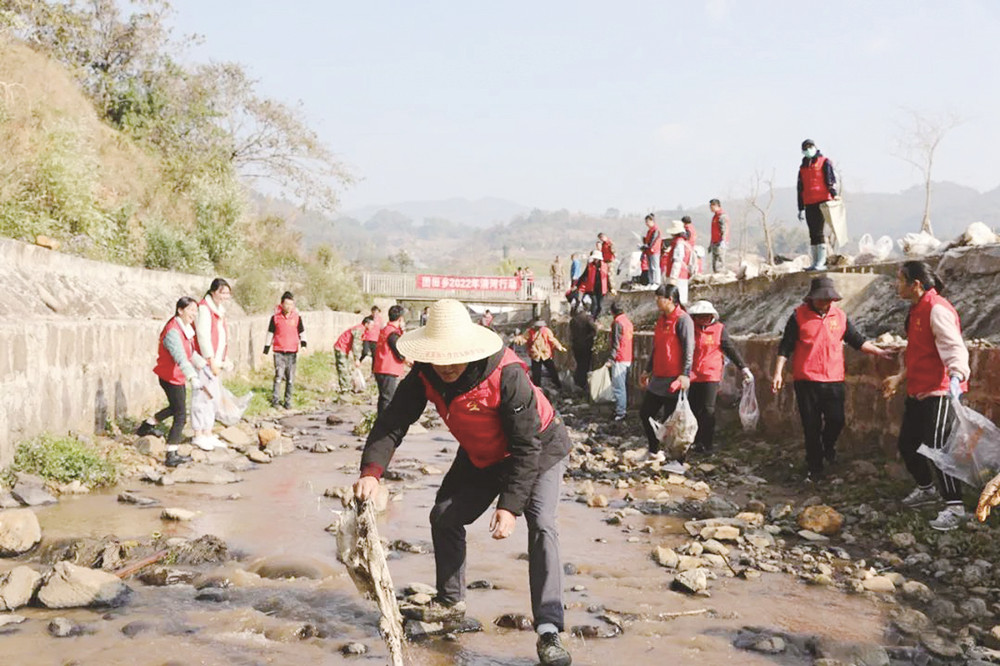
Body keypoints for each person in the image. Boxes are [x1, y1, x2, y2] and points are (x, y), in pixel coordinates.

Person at [352, 299, 573, 666]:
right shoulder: (425, 373)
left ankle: (549, 629)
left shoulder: (508, 374)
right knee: (444, 516)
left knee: (542, 525)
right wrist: (371, 472)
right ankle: (450, 603)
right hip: (481, 454)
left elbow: (526, 446)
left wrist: (509, 506)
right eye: (441, 357)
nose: (448, 366)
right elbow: (394, 422)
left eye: (455, 357)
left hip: (540, 449)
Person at [771, 276, 889, 481]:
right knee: (811, 425)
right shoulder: (798, 316)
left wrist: (879, 352)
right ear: (812, 299)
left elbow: (857, 340)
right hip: (806, 379)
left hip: (834, 379)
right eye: (822, 299)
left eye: (830, 300)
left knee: (837, 420)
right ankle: (814, 467)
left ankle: (828, 446)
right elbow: (785, 347)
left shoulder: (840, 316)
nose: (826, 303)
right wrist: (777, 373)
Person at [881, 261, 971, 531]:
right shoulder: (916, 311)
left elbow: (954, 346)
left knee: (938, 448)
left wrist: (957, 375)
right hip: (919, 388)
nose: (896, 285)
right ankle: (927, 489)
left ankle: (955, 507)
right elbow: (920, 352)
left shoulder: (937, 308)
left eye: (900, 280)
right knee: (908, 444)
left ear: (915, 284)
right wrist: (900, 377)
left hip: (941, 389)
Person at [136, 297, 204, 467]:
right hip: (171, 377)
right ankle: (171, 454)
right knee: (181, 414)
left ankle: (147, 425)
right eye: (191, 310)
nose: (193, 314)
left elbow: (189, 352)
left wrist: (203, 363)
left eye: (196, 311)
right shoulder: (173, 331)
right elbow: (180, 357)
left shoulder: (184, 328)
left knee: (175, 408)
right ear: (180, 310)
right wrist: (193, 377)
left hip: (174, 375)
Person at [639, 284, 694, 462]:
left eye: (659, 298)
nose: (656, 301)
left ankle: (676, 460)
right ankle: (654, 451)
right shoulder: (661, 320)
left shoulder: (683, 320)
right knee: (645, 413)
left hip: (674, 378)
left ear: (670, 300)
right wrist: (647, 370)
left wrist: (684, 374)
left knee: (673, 422)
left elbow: (688, 349)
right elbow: (657, 348)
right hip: (658, 377)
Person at [687, 300, 752, 452]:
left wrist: (744, 368)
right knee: (693, 408)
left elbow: (731, 350)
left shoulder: (719, 330)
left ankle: (707, 443)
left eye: (705, 316)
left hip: (711, 374)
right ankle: (694, 441)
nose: (702, 319)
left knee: (708, 409)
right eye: (699, 316)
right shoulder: (690, 329)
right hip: (693, 374)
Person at [192, 277, 232, 450]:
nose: (225, 297)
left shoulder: (219, 310)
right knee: (202, 397)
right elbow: (202, 336)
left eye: (228, 294)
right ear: (213, 292)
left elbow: (222, 336)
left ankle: (208, 431)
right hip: (204, 361)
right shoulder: (204, 308)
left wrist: (223, 359)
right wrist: (210, 360)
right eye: (222, 293)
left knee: (212, 397)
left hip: (215, 361)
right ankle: (198, 434)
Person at [797, 139, 838, 271]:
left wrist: (834, 194)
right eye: (805, 148)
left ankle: (821, 261)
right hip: (809, 202)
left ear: (815, 147)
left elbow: (830, 179)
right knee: (812, 233)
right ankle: (815, 261)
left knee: (819, 231)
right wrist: (800, 208)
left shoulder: (824, 162)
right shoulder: (803, 167)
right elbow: (800, 188)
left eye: (810, 147)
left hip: (822, 200)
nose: (808, 150)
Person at [263, 291, 307, 409]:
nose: (288, 307)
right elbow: (270, 333)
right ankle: (275, 401)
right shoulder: (275, 318)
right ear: (282, 304)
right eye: (286, 304)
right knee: (278, 376)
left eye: (291, 304)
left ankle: (288, 402)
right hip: (279, 351)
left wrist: (304, 345)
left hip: (292, 352)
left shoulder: (297, 318)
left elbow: (302, 332)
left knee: (290, 378)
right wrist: (266, 350)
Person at [373, 305, 406, 415]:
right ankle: (384, 423)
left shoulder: (385, 330)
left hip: (380, 368)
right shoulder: (393, 333)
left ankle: (380, 421)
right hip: (389, 369)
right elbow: (399, 353)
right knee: (388, 399)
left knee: (383, 397)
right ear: (400, 319)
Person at [606, 302, 633, 422]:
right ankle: (621, 409)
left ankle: (620, 413)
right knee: (622, 386)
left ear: (612, 312)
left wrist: (611, 359)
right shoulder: (627, 321)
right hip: (627, 356)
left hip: (620, 358)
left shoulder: (617, 323)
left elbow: (616, 343)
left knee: (618, 387)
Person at [522, 320, 566, 389]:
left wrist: (559, 346)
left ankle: (558, 385)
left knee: (552, 370)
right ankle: (537, 388)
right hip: (535, 355)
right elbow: (523, 339)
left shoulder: (546, 331)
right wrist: (517, 340)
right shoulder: (529, 332)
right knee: (536, 374)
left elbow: (552, 340)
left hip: (546, 354)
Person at [334, 316, 374, 392]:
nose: (372, 327)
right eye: (371, 325)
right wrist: (357, 359)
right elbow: (356, 345)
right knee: (343, 369)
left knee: (346, 368)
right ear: (366, 324)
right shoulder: (359, 330)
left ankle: (347, 387)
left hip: (344, 348)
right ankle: (345, 390)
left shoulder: (361, 329)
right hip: (341, 347)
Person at [663, 220, 693, 305]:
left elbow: (677, 261)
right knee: (682, 299)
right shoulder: (684, 243)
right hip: (683, 275)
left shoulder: (678, 244)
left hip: (677, 275)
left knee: (675, 300)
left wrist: (673, 277)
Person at [569, 309, 597, 391]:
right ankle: (583, 384)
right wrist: (591, 336)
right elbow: (594, 329)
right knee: (585, 365)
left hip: (576, 346)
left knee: (580, 364)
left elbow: (571, 334)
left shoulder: (572, 321)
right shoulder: (588, 319)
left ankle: (578, 383)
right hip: (586, 346)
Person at [578, 250, 609, 317]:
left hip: (601, 289)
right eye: (594, 258)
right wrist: (577, 285)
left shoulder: (605, 266)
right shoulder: (590, 266)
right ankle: (592, 318)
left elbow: (607, 278)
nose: (595, 260)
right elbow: (584, 275)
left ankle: (596, 318)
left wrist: (610, 288)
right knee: (594, 304)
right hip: (592, 289)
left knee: (600, 305)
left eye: (596, 258)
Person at [708, 199, 729, 274]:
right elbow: (714, 231)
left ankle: (721, 277)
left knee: (720, 262)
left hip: (720, 242)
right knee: (715, 263)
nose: (710, 208)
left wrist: (723, 240)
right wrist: (711, 243)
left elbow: (724, 229)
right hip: (715, 242)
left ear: (716, 205)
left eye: (711, 206)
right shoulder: (715, 217)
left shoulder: (722, 216)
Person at [641, 214, 662, 287]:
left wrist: (650, 246)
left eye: (647, 221)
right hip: (648, 251)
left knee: (655, 267)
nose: (646, 223)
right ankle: (651, 281)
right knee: (650, 267)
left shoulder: (655, 230)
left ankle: (656, 282)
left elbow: (654, 240)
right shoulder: (649, 231)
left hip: (654, 251)